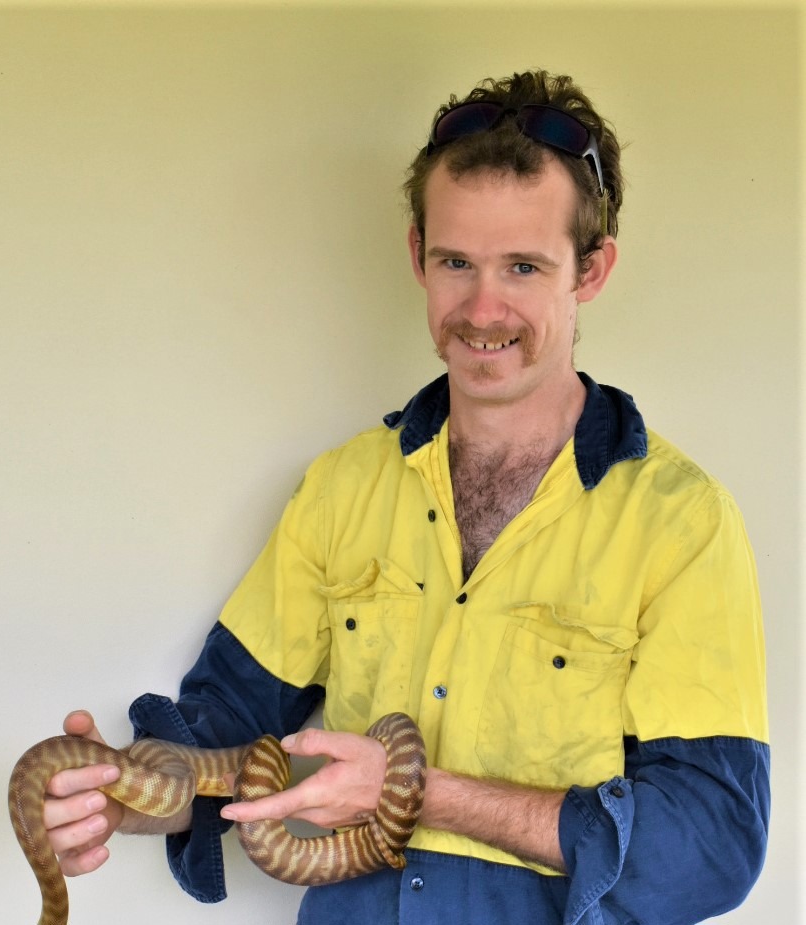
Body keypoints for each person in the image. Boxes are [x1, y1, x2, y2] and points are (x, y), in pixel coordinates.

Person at [43, 71, 770, 924]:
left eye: (523, 266)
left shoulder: (678, 522)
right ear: (416, 253)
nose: (482, 307)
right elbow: (225, 728)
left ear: (591, 269)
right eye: (455, 261)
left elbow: (709, 846)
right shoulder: (344, 488)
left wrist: (417, 791)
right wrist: (127, 793)